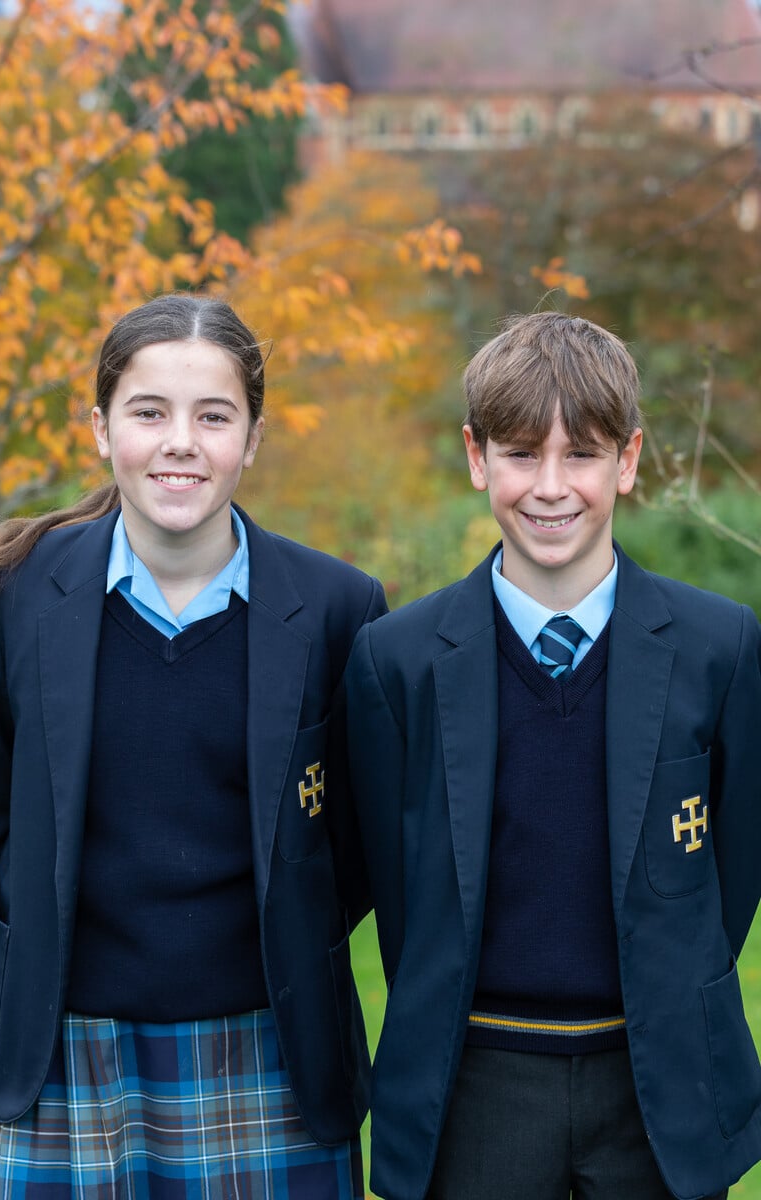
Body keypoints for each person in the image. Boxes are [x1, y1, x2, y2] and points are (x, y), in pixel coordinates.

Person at [0, 292, 387, 1199]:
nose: (180, 441)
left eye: (214, 416)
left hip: (268, 1049)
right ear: (101, 426)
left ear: (254, 437)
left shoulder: (340, 610)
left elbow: (356, 842)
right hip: (61, 1046)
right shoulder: (16, 599)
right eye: (149, 412)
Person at [344, 310, 761, 1200]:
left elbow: (730, 874)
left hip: (654, 1083)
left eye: (582, 455)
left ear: (630, 460)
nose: (550, 486)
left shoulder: (717, 646)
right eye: (523, 453)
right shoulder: (398, 662)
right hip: (477, 1081)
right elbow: (394, 882)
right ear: (476, 457)